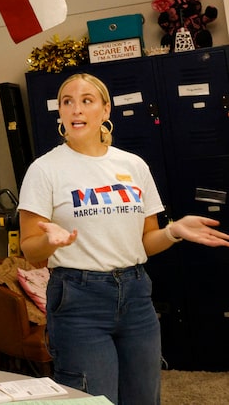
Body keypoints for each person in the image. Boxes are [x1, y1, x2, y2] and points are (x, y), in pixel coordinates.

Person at [18, 72, 229, 404]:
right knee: (94, 398)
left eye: (86, 101)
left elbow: (145, 242)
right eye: (67, 102)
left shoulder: (133, 165)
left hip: (135, 296)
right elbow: (29, 250)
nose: (76, 110)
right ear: (58, 112)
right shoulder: (44, 170)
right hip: (78, 299)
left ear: (105, 110)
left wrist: (173, 231)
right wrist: (51, 242)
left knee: (144, 397)